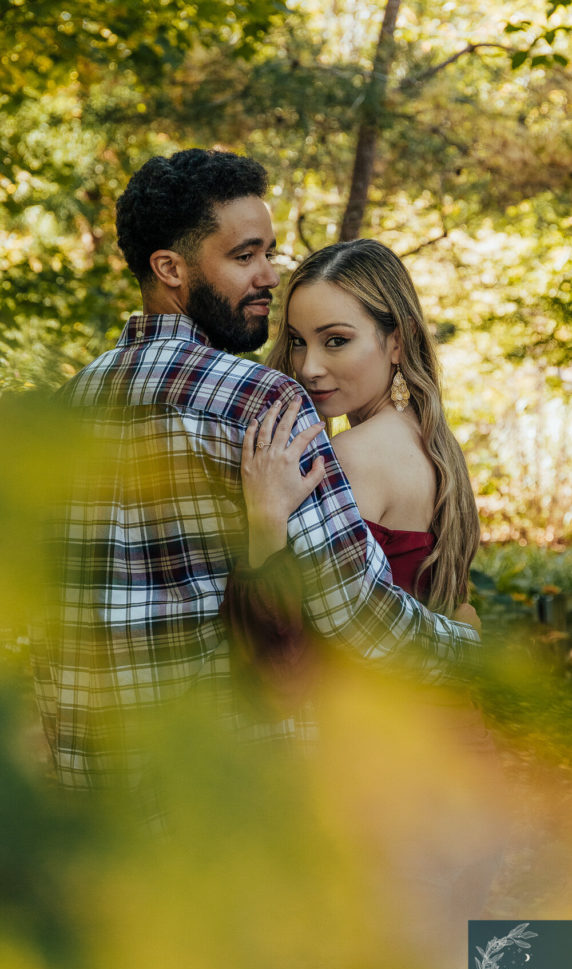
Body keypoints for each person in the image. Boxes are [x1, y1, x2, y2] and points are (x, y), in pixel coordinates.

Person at [31, 149, 480, 806]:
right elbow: (354, 612)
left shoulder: (71, 404)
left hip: (99, 795)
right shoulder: (262, 403)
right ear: (171, 269)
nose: (270, 274)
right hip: (230, 794)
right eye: (245, 256)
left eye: (268, 252)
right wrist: (465, 647)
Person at [221, 238, 482, 693]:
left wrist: (264, 526)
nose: (309, 367)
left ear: (397, 342)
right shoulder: (433, 444)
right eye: (299, 342)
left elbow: (293, 658)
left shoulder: (349, 456)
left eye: (336, 341)